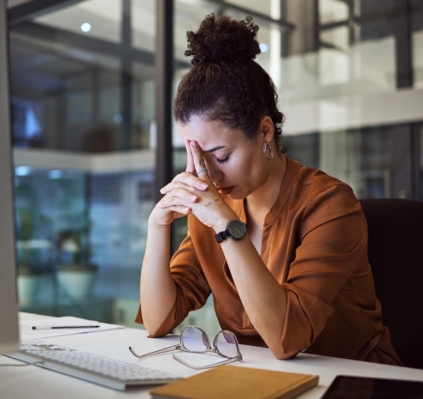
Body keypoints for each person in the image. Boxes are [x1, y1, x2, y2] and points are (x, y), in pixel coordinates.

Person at [135, 13, 402, 365]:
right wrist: (158, 224)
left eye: (221, 156)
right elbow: (157, 321)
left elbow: (286, 338)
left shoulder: (330, 204)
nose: (209, 176)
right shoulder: (213, 211)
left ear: (264, 132)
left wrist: (226, 227)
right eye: (197, 157)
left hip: (355, 381)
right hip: (261, 379)